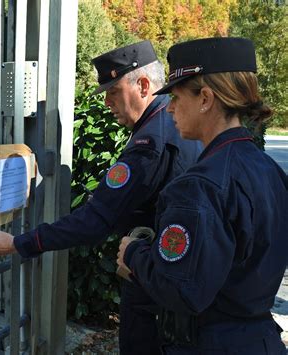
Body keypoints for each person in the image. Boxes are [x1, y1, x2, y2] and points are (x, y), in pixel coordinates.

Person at [0, 40, 201, 354]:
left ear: (141, 85)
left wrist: (18, 243)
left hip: (154, 291)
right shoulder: (176, 125)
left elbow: (96, 219)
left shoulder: (149, 144)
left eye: (113, 91)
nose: (107, 102)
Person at [117, 37, 288, 354]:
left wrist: (134, 254)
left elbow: (182, 290)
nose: (170, 108)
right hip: (260, 341)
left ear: (206, 99)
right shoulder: (270, 171)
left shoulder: (198, 185)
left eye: (177, 97)